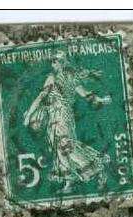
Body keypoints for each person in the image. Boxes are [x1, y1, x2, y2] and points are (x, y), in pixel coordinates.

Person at [23, 49, 112, 192]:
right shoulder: (69, 77)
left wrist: (28, 116)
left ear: (62, 63)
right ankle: (69, 182)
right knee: (60, 149)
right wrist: (100, 99)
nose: (53, 64)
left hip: (61, 116)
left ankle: (97, 168)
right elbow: (85, 94)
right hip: (57, 116)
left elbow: (41, 98)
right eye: (52, 61)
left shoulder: (55, 78)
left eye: (55, 61)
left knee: (66, 146)